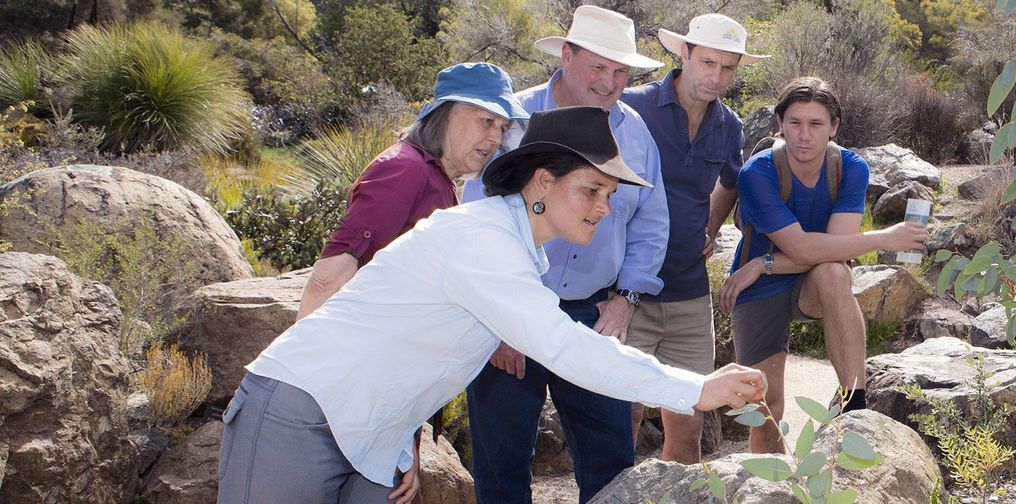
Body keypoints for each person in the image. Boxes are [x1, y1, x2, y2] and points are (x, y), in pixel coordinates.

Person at [217, 107, 766, 504]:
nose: (604, 207)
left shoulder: (519, 254)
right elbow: (565, 346)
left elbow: (413, 354)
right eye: (592, 190)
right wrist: (695, 388)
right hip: (299, 411)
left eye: (611, 195)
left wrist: (398, 441)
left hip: (372, 435)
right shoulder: (481, 241)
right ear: (541, 183)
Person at [456, 6, 668, 503]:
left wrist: (627, 299)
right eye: (598, 66)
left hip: (592, 315)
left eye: (620, 71)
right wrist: (497, 319)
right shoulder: (511, 122)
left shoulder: (635, 133)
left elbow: (652, 223)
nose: (609, 82)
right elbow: (477, 224)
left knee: (612, 464)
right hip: (509, 311)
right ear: (566, 55)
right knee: (501, 467)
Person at [716, 77, 928, 454]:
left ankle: (853, 404)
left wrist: (762, 262)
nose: (804, 135)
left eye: (816, 124)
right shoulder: (758, 173)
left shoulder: (849, 169)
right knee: (765, 409)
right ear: (779, 123)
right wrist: (883, 238)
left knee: (834, 274)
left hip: (802, 282)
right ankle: (774, 492)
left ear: (834, 127)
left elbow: (832, 254)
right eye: (795, 123)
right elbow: (800, 249)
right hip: (758, 291)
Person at [620, 12, 768, 464]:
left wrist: (710, 227)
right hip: (625, 291)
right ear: (683, 53)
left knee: (687, 424)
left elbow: (730, 180)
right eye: (707, 62)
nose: (716, 76)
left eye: (728, 67)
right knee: (618, 417)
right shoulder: (632, 108)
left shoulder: (729, 127)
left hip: (688, 292)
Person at [297, 62, 526, 320]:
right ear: (446, 113)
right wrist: (297, 359)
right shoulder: (404, 170)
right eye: (487, 121)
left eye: (502, 128)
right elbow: (326, 280)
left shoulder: (438, 178)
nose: (495, 138)